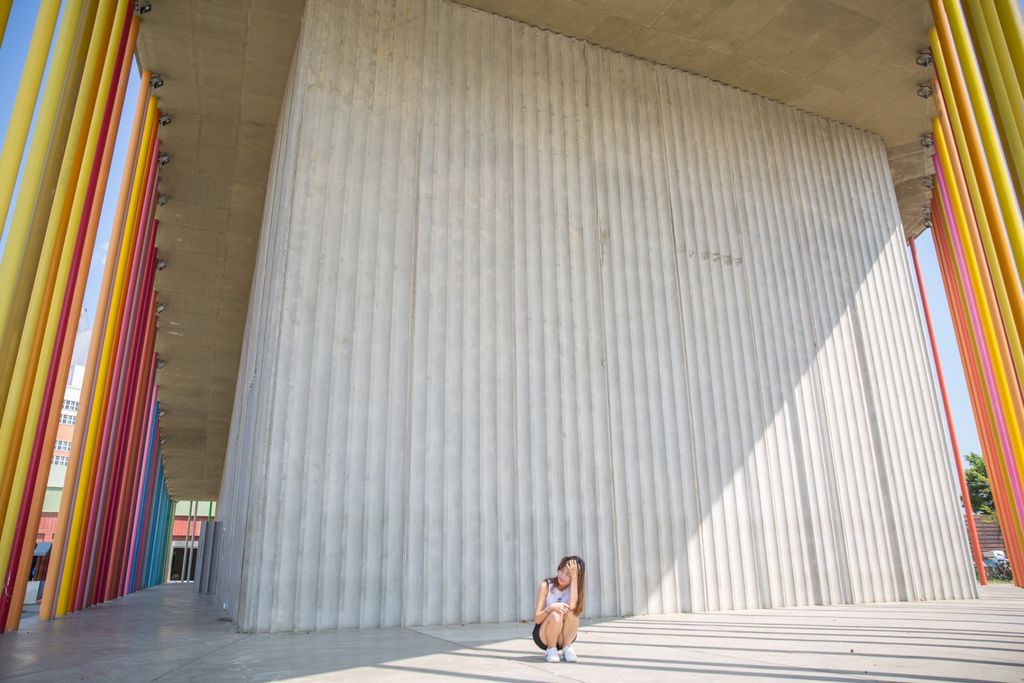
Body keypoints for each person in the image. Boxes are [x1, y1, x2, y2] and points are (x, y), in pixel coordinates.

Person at [532, 555, 585, 663]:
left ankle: (566, 648)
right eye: (561, 570)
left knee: (573, 612)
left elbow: (573, 608)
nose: (562, 576)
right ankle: (551, 649)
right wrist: (551, 608)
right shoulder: (546, 585)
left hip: (563, 636)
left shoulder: (573, 589)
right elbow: (537, 619)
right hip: (544, 635)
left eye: (569, 574)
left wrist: (575, 578)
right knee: (556, 613)